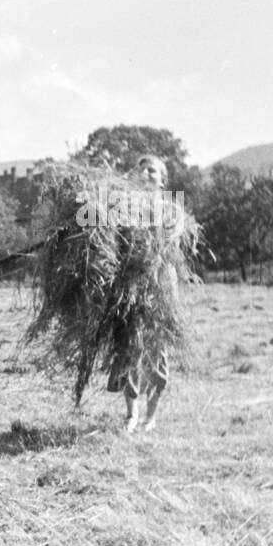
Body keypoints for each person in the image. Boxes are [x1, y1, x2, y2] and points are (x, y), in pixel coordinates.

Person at [107, 154, 172, 433]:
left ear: (163, 180)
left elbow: (170, 248)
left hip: (159, 289)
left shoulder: (169, 211)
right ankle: (131, 414)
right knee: (128, 350)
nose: (146, 174)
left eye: (153, 171)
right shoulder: (123, 209)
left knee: (158, 355)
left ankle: (151, 416)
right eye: (141, 169)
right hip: (129, 289)